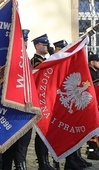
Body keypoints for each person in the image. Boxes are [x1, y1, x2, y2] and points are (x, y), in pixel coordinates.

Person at [52, 40, 92, 170]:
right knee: (58, 134)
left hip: (67, 105)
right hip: (57, 104)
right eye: (62, 49)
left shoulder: (67, 65)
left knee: (72, 129)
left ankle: (73, 158)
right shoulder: (53, 62)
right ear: (56, 49)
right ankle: (55, 161)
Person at [2, 29, 32, 170]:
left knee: (22, 144)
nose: (24, 43)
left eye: (25, 40)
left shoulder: (27, 60)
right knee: (6, 145)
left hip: (25, 108)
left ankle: (21, 165)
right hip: (8, 109)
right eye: (22, 40)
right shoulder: (6, 58)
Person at [31, 34, 54, 170]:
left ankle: (45, 161)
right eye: (44, 45)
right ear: (37, 46)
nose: (47, 47)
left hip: (46, 100)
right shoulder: (36, 61)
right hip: (40, 101)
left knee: (46, 132)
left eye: (47, 45)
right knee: (41, 132)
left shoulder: (44, 59)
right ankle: (42, 162)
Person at [86, 51, 99, 160]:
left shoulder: (98, 71)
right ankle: (91, 150)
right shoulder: (88, 72)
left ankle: (97, 149)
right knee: (92, 128)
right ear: (91, 62)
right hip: (92, 102)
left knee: (98, 126)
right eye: (98, 61)